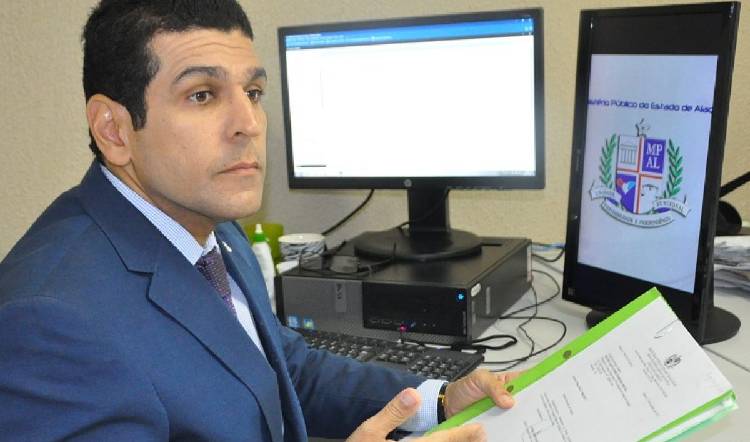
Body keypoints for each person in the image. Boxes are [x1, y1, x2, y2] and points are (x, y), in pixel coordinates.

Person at [0, 1, 518, 440]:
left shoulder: (207, 225)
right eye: (202, 95)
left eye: (252, 93)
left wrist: (437, 401)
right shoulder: (49, 323)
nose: (248, 124)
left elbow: (282, 370)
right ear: (113, 130)